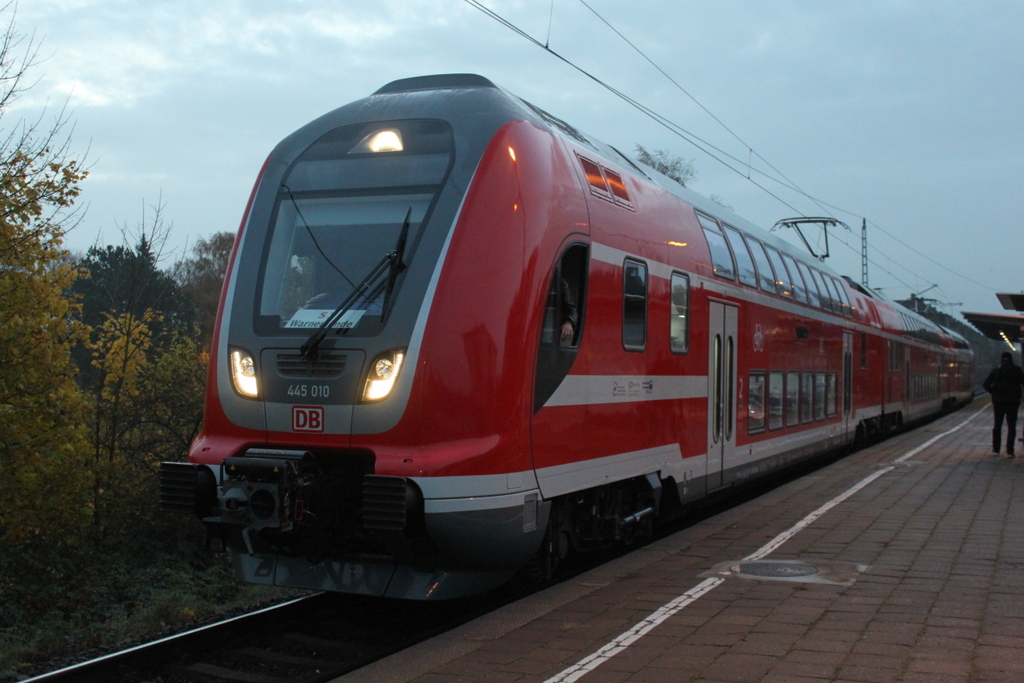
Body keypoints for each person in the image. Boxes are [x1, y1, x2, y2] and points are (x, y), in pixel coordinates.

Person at [982, 351, 1024, 456]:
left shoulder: (996, 370)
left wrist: (994, 392)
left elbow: (986, 384)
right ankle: (1010, 451)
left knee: (997, 425)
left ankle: (996, 449)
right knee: (1011, 426)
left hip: (998, 402)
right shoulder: (1017, 370)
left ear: (1001, 359)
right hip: (1013, 402)